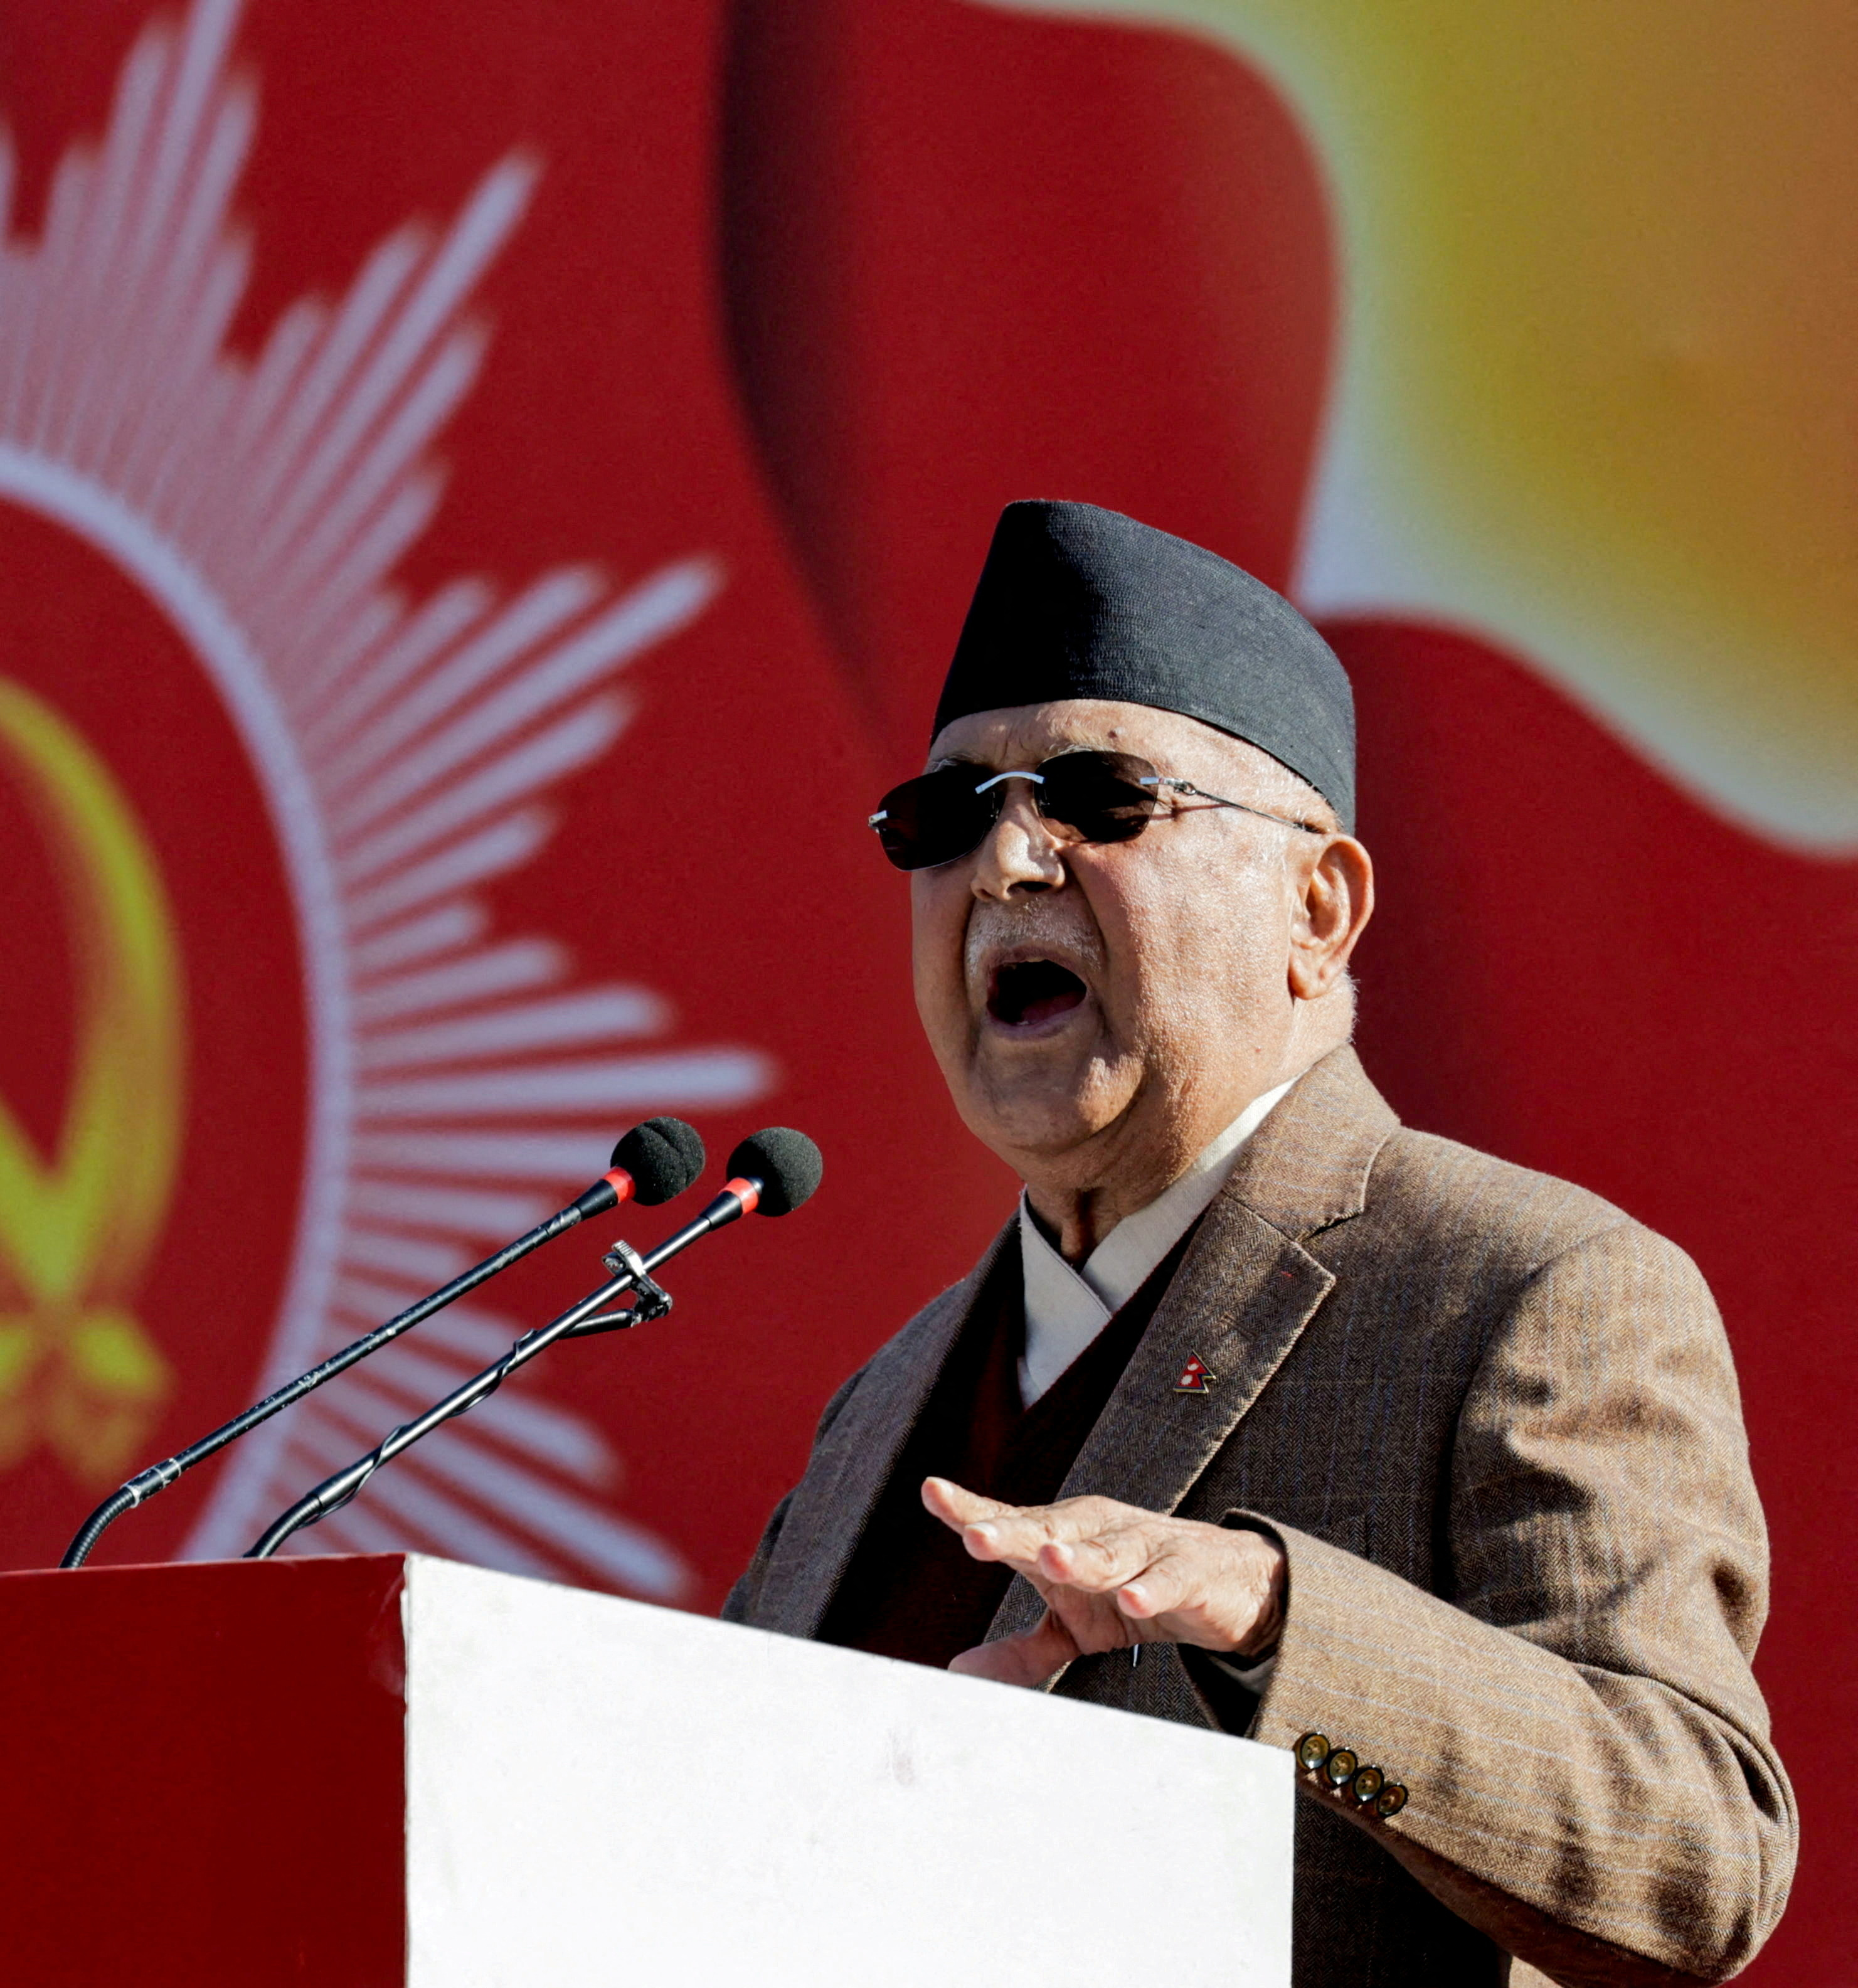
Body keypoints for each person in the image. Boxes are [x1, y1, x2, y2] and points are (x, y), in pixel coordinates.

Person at [724, 501, 1793, 1987]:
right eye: (944, 817)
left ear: (1319, 904)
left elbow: (1699, 1860)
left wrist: (1284, 1620)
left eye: (1097, 796)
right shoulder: (879, 1413)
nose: (1008, 865)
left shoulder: (1524, 1292)